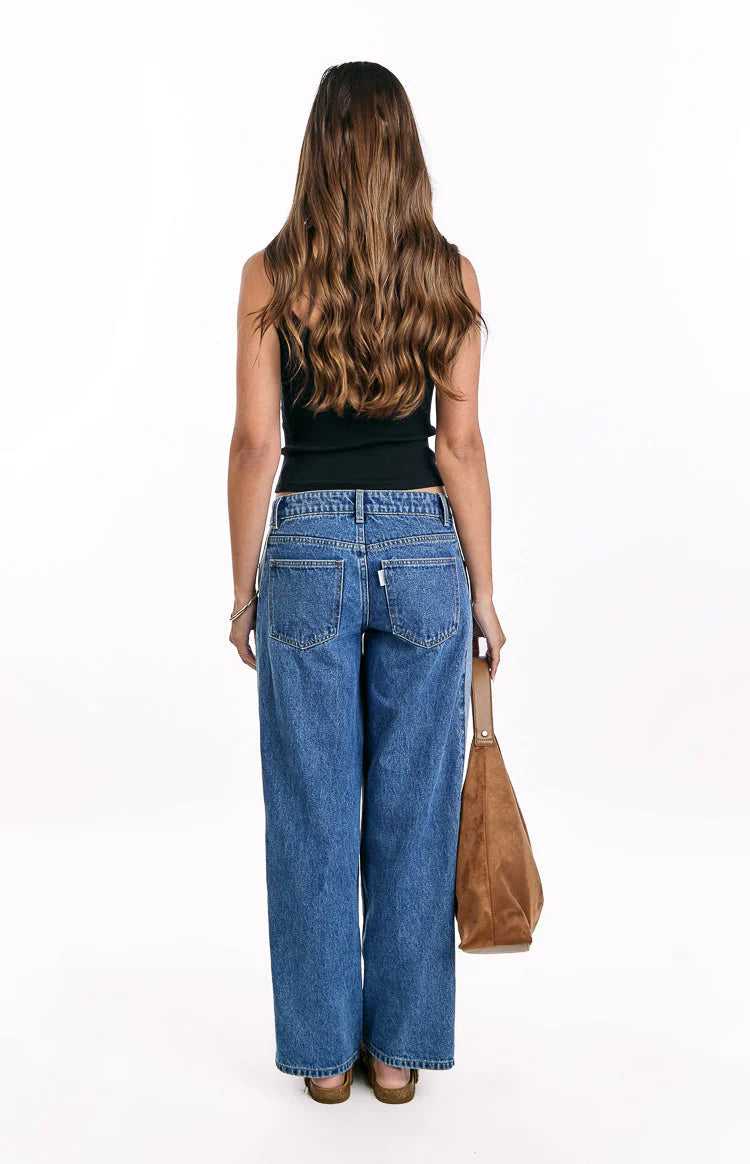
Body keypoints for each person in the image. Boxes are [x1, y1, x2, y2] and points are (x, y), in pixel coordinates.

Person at [228, 61, 505, 1105]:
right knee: (414, 812)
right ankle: (397, 1056)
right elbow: (460, 446)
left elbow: (257, 444)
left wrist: (244, 588)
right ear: (405, 152)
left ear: (317, 150)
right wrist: (483, 592)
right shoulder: (450, 276)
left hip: (304, 550)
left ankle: (320, 1060)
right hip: (425, 553)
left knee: (309, 809)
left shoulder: (271, 274)